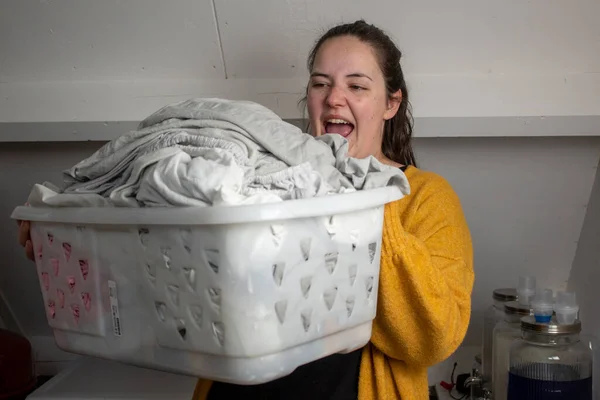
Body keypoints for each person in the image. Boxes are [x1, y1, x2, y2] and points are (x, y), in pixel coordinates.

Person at [17, 19, 473, 400]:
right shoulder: (256, 183)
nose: (335, 98)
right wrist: (73, 240)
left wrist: (372, 198)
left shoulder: (423, 197)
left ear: (391, 103)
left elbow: (435, 336)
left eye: (357, 85)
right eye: (321, 83)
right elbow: (172, 291)